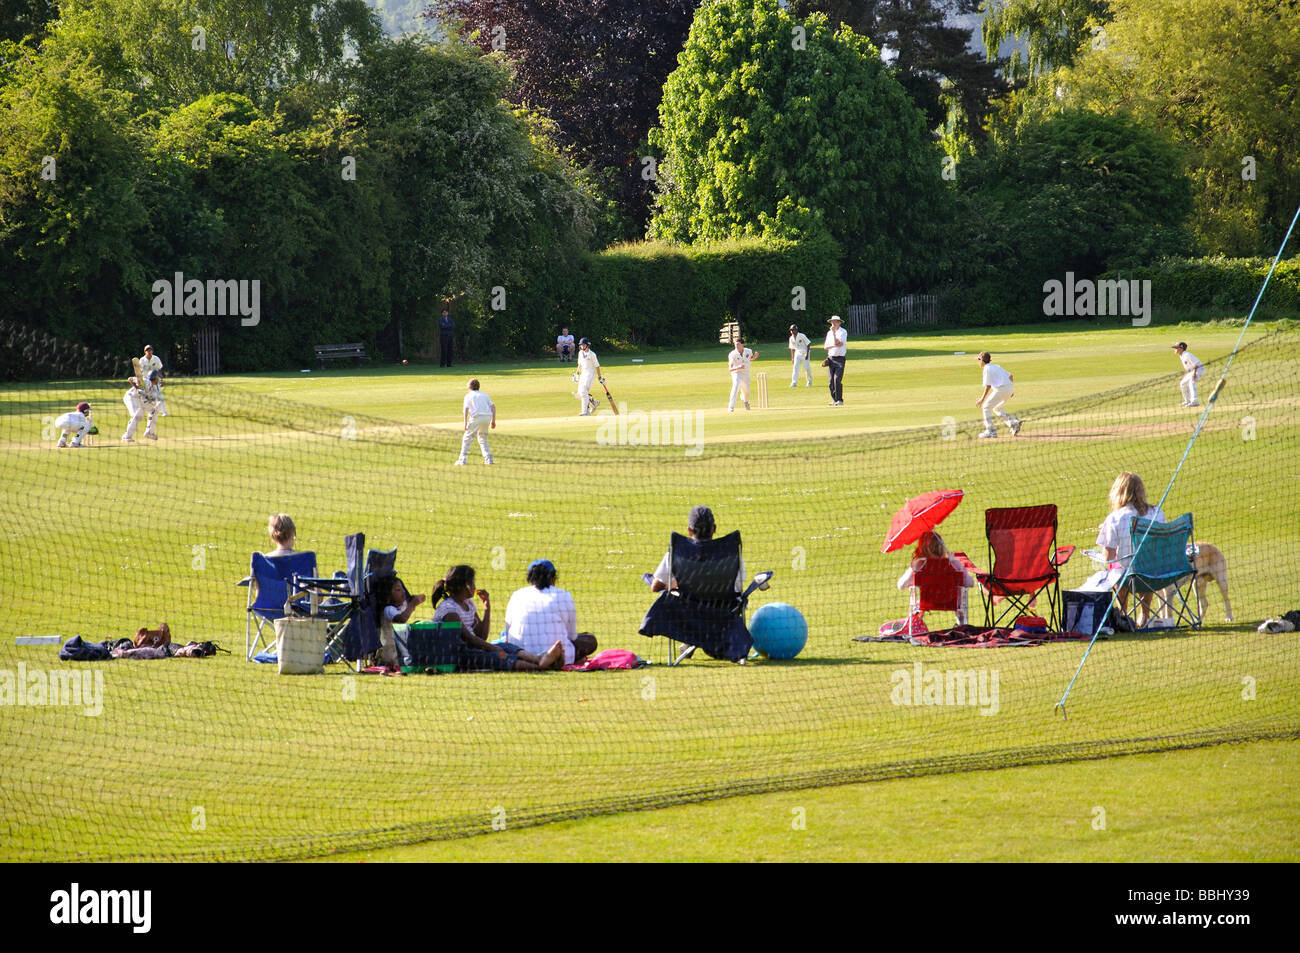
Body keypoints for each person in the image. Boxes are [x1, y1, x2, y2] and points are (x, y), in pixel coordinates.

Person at [432, 565, 563, 671]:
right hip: (457, 654)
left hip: (471, 649)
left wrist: (487, 608)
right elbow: (469, 638)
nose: (475, 586)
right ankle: (542, 667)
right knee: (498, 656)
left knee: (506, 647)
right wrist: (492, 648)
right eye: (473, 582)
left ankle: (539, 659)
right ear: (466, 585)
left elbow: (481, 636)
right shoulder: (449, 609)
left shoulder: (468, 604)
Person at [1094, 472, 1168, 623]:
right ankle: (1145, 615)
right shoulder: (1157, 513)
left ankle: (1122, 615)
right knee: (1147, 562)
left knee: (1117, 567)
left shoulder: (1115, 518)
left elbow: (1108, 557)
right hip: (1156, 575)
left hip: (1127, 578)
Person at [502, 559, 596, 668]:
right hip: (561, 651)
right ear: (553, 578)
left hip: (520, 654)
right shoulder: (564, 595)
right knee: (590, 640)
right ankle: (554, 658)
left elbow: (507, 636)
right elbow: (572, 636)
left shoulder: (517, 595)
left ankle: (541, 658)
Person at [648, 505, 744, 594]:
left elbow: (656, 586)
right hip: (724, 610)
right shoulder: (730, 553)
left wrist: (676, 585)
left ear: (689, 530)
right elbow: (737, 585)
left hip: (686, 610)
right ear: (714, 528)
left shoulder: (678, 552)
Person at [895, 530, 974, 626]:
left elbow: (901, 585)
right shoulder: (954, 564)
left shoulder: (919, 566)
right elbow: (970, 583)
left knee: (917, 601)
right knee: (960, 597)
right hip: (952, 602)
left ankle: (915, 626)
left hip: (926, 602)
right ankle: (961, 625)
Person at [375, 574, 427, 669]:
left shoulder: (401, 606)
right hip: (392, 652)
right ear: (388, 596)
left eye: (402, 588)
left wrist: (417, 599)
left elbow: (422, 598)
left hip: (400, 649)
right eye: (398, 590)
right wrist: (412, 604)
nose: (403, 591)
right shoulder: (388, 609)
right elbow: (401, 619)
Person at [975, 351, 1021, 438]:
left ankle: (990, 431)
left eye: (978, 359)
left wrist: (982, 399)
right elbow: (1011, 376)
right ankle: (1014, 423)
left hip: (1002, 390)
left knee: (986, 407)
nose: (978, 362)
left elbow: (988, 386)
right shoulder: (996, 366)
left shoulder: (986, 368)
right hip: (1008, 388)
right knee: (996, 408)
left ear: (982, 360)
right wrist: (1010, 390)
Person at [456, 378, 495, 465]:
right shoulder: (484, 395)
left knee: (467, 438)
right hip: (487, 417)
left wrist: (465, 423)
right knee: (482, 438)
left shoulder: (468, 396)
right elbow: (493, 407)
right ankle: (488, 459)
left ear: (469, 387)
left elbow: (466, 409)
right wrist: (493, 421)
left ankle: (462, 460)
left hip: (477, 417)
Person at [122, 372, 161, 442]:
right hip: (131, 397)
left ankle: (149, 432)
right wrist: (136, 386)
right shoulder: (144, 381)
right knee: (137, 415)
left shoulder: (155, 388)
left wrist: (153, 404)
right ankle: (126, 436)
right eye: (158, 377)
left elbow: (153, 400)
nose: (159, 379)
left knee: (154, 410)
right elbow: (130, 379)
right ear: (154, 378)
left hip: (142, 401)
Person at [727, 335, 758, 412]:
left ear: (742, 344)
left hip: (746, 374)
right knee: (735, 387)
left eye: (738, 344)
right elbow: (730, 369)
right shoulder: (732, 354)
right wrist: (738, 367)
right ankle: (731, 407)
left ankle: (745, 400)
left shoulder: (748, 351)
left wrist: (754, 357)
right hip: (736, 373)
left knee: (746, 392)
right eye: (735, 344)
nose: (736, 346)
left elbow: (750, 358)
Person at [820, 315, 847, 406]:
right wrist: (834, 344)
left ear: (839, 322)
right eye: (832, 322)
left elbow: (838, 343)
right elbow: (825, 347)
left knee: (837, 379)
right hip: (831, 358)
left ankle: (840, 400)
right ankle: (835, 399)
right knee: (831, 381)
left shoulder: (843, 332)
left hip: (840, 358)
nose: (833, 323)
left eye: (835, 321)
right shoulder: (829, 333)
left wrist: (834, 335)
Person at [1172, 342, 1204, 407]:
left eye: (1176, 348)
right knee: (1182, 383)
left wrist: (1194, 374)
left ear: (1181, 348)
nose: (1175, 349)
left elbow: (1196, 364)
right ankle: (1187, 401)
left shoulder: (1187, 355)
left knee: (1191, 382)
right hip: (1192, 371)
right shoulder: (1182, 356)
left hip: (1199, 370)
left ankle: (1195, 401)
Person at [138, 345, 166, 416]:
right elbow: (139, 372)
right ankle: (145, 411)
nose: (149, 352)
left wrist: (161, 379)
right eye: (147, 350)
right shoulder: (142, 360)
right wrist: (139, 381)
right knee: (145, 396)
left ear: (152, 351)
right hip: (145, 380)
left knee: (159, 395)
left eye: (150, 350)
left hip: (155, 380)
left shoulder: (156, 359)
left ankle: (164, 411)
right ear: (145, 352)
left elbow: (160, 369)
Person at [575, 338, 601, 416]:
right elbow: (580, 364)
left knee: (583, 392)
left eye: (583, 345)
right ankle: (594, 402)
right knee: (580, 394)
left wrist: (600, 377)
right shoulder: (580, 353)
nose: (582, 346)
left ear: (587, 345)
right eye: (581, 345)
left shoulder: (592, 354)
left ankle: (585, 412)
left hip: (590, 374)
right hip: (583, 374)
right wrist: (576, 373)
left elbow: (597, 366)